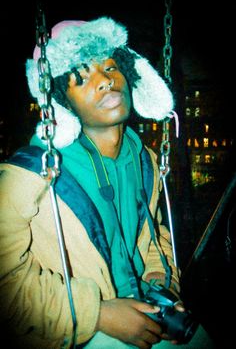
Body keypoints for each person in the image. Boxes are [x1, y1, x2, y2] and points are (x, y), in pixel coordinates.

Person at [0, 17, 214, 349]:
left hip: (142, 306)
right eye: (81, 78)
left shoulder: (145, 159)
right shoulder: (28, 174)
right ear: (62, 101)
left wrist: (162, 284)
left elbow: (152, 235)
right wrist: (98, 315)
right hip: (72, 330)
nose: (104, 81)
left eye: (111, 67)